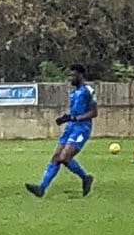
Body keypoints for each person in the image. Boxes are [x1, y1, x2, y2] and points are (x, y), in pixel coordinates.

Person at [26, 64, 97, 197]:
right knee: (56, 157)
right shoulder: (74, 93)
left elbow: (94, 113)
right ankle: (41, 188)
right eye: (70, 75)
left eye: (74, 75)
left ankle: (85, 177)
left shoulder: (88, 90)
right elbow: (74, 112)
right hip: (71, 127)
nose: (71, 78)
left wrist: (74, 118)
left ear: (81, 75)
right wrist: (65, 119)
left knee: (65, 157)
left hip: (82, 129)